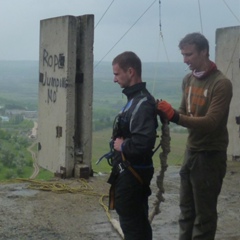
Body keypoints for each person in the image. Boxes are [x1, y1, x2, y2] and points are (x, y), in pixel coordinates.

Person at [158, 32, 233, 240]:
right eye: (183, 54)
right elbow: (183, 111)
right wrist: (167, 113)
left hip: (210, 156)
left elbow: (210, 123)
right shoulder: (188, 80)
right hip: (191, 153)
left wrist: (174, 116)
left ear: (204, 52)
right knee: (186, 212)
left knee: (204, 217)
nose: (185, 60)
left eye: (189, 54)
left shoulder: (221, 84)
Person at [107, 51, 158, 240]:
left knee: (134, 228)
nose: (114, 79)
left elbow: (143, 143)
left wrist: (122, 145)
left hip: (133, 176)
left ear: (130, 72)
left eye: (116, 74)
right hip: (128, 174)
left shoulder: (142, 103)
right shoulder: (135, 100)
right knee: (136, 225)